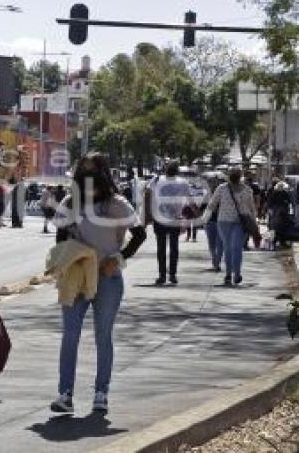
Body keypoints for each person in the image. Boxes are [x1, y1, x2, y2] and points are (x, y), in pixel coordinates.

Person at [50, 153, 147, 415]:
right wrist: (66, 260)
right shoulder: (71, 202)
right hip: (76, 276)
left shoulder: (117, 204)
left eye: (92, 173)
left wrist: (118, 259)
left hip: (107, 278)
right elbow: (60, 237)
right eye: (83, 174)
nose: (87, 179)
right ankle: (65, 394)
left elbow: (140, 234)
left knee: (103, 337)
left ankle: (101, 392)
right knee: (70, 335)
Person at [205, 166, 257, 286]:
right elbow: (252, 208)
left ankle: (230, 274)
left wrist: (205, 218)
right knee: (236, 248)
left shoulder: (222, 188)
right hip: (236, 222)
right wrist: (254, 222)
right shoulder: (246, 190)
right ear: (241, 176)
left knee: (229, 247)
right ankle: (234, 273)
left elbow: (212, 205)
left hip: (226, 222)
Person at [148, 161, 190, 285]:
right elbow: (190, 199)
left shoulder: (156, 180)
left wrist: (148, 212)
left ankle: (162, 275)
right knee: (174, 248)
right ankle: (172, 275)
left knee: (161, 248)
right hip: (174, 219)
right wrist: (197, 213)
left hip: (159, 218)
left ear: (165, 169)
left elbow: (147, 194)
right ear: (177, 171)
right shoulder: (183, 182)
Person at [204, 176, 224, 271]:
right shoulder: (208, 195)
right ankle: (216, 262)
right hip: (211, 221)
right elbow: (203, 208)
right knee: (215, 244)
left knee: (216, 244)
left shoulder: (223, 194)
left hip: (217, 221)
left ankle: (216, 262)